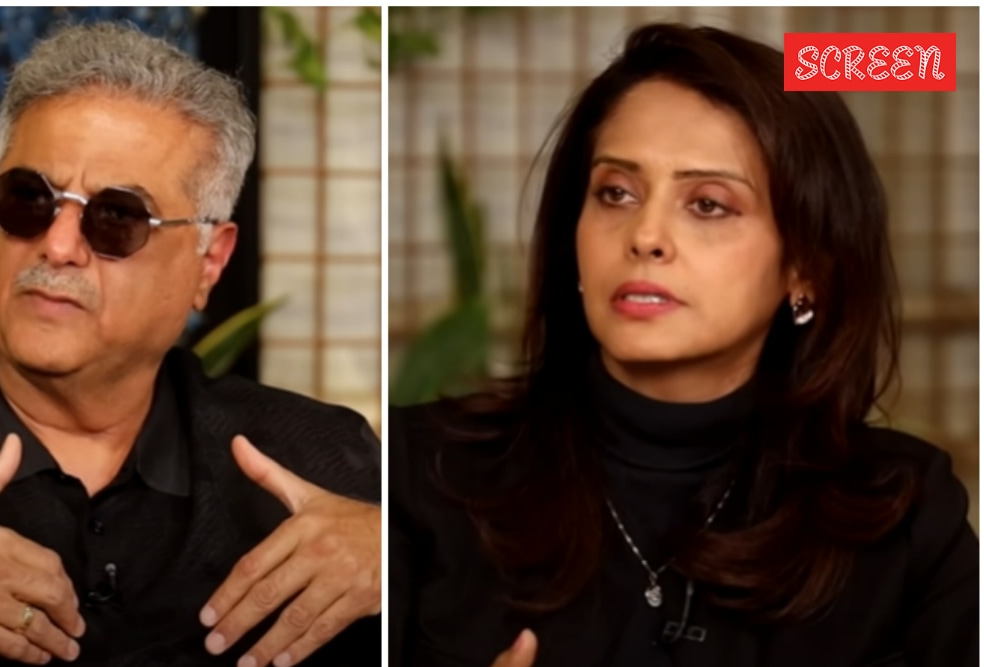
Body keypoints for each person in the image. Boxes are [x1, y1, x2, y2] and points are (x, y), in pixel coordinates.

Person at [0, 21, 381, 667]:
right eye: (28, 199)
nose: (58, 245)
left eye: (117, 216)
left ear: (209, 262)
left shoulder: (328, 465)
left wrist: (402, 560)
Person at [390, 23, 977, 667]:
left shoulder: (906, 514)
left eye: (708, 204)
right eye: (616, 193)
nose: (645, 236)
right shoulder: (415, 475)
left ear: (804, 266)